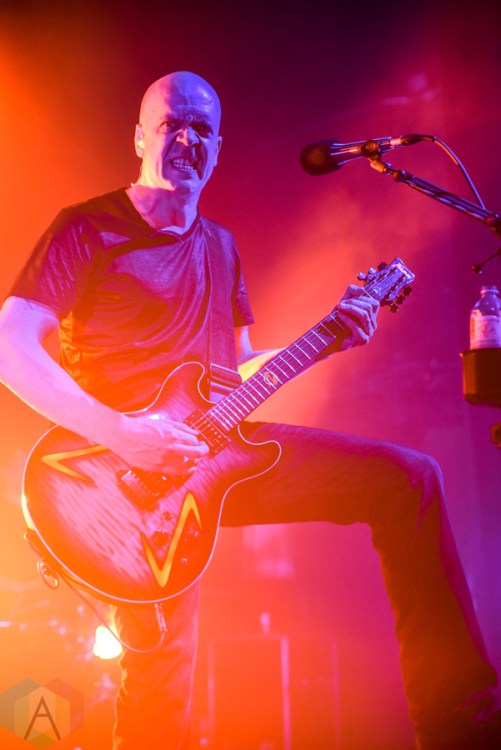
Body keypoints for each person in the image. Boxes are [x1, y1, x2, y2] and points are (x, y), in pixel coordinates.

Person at [0, 70, 499, 750]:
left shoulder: (220, 245)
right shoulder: (86, 228)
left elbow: (236, 377)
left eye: (202, 128)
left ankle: (463, 727)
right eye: (172, 123)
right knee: (161, 685)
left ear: (218, 147)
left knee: (408, 479)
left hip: (220, 455)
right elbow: (11, 346)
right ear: (139, 137)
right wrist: (122, 433)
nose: (187, 139)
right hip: (123, 486)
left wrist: (328, 338)